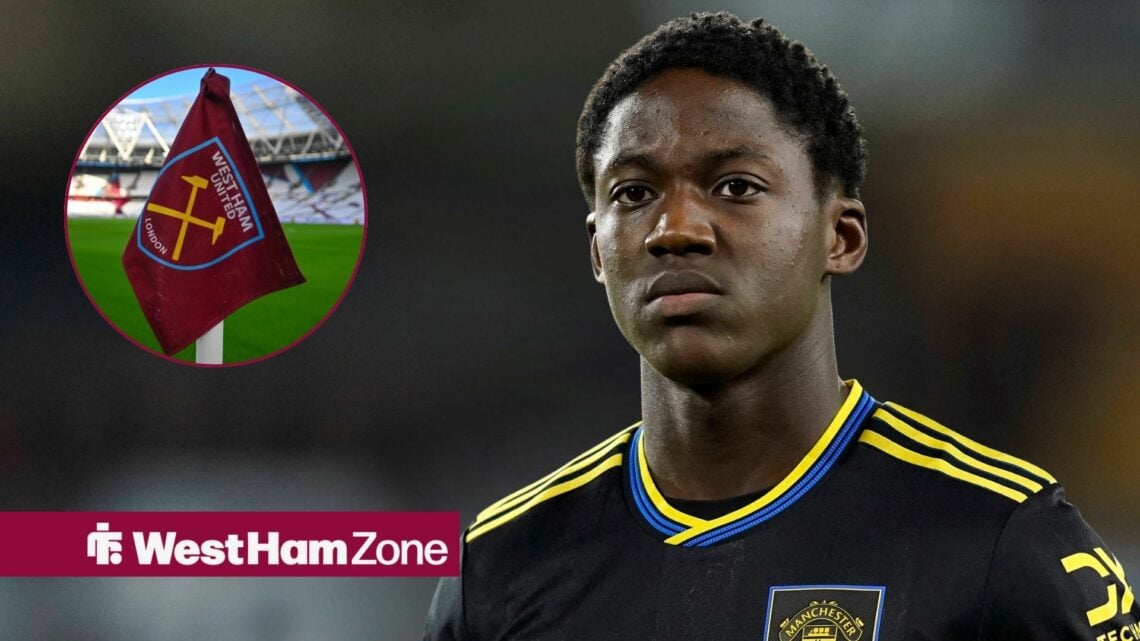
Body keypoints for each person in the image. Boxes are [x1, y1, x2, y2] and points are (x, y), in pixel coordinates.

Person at [424, 12, 1138, 640]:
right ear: (596, 252)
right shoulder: (501, 566)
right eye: (635, 193)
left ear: (842, 236)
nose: (675, 229)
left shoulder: (1000, 540)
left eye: (736, 186)